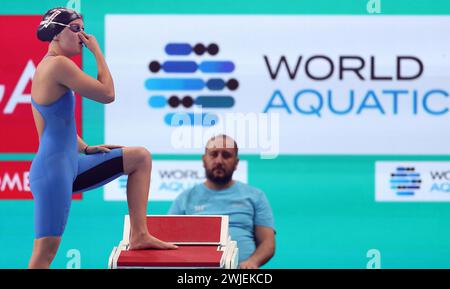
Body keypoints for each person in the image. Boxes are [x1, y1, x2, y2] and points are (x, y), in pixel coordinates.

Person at [29, 7, 176, 269]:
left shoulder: (50, 67)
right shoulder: (56, 65)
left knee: (139, 157)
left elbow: (56, 125)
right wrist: (97, 51)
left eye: (83, 29)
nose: (82, 36)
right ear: (56, 34)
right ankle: (139, 234)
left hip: (70, 164)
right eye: (75, 29)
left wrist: (85, 148)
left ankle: (139, 234)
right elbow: (107, 94)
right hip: (53, 171)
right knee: (44, 256)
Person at [168, 135, 275, 269]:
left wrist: (253, 262)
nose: (219, 160)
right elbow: (169, 241)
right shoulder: (185, 198)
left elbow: (267, 242)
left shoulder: (255, 196)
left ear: (236, 162)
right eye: (213, 154)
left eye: (226, 155)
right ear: (204, 160)